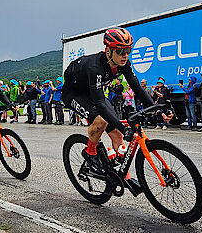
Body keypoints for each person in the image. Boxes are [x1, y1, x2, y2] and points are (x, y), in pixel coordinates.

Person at [62, 27, 172, 184]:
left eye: (128, 50)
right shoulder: (95, 67)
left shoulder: (124, 63)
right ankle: (90, 152)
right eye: (120, 51)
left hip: (95, 92)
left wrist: (158, 110)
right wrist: (123, 127)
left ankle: (122, 178)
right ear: (109, 50)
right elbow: (100, 103)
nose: (125, 55)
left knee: (117, 135)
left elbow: (138, 89)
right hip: (74, 93)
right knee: (101, 121)